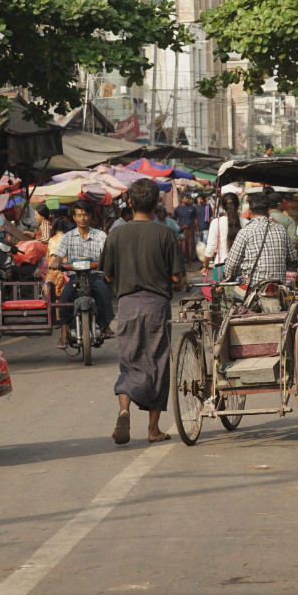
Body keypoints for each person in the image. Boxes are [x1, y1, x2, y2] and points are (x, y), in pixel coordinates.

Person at [102, 178, 186, 445]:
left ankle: (124, 409)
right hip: (157, 307)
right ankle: (153, 429)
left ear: (129, 202)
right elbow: (178, 279)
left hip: (127, 305)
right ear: (157, 202)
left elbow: (108, 277)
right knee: (158, 365)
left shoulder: (116, 233)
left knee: (129, 362)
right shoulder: (165, 234)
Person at [50, 199, 112, 344]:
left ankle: (105, 325)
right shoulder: (68, 237)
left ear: (90, 216)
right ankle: (64, 329)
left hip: (95, 276)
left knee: (102, 292)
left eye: (85, 215)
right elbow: (59, 255)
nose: (82, 218)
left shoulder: (100, 236)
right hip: (75, 277)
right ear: (74, 217)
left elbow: (108, 254)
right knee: (65, 297)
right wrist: (56, 262)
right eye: (79, 215)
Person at [223, 191, 294, 296]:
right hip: (279, 288)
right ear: (268, 211)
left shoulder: (245, 232)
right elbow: (292, 259)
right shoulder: (281, 230)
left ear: (250, 211)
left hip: (253, 289)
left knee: (227, 298)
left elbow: (232, 264)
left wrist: (226, 279)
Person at [200, 191, 242, 269]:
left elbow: (210, 247)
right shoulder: (246, 222)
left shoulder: (216, 222)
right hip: (241, 266)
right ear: (238, 205)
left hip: (221, 265)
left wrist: (205, 266)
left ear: (222, 206)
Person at [174, 192, 201, 261]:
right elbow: (174, 219)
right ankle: (182, 264)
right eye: (186, 198)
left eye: (188, 198)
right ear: (182, 199)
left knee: (190, 246)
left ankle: (189, 265)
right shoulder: (177, 209)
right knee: (181, 247)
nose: (188, 199)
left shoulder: (192, 207)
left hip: (190, 229)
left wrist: (197, 230)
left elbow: (195, 219)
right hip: (181, 230)